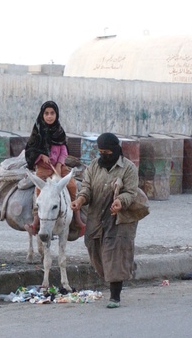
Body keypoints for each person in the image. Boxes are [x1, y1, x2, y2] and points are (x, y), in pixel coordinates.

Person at [71, 132, 139, 308]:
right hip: (96, 217)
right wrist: (79, 200)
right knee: (94, 249)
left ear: (115, 150)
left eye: (107, 152)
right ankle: (113, 277)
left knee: (114, 253)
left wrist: (120, 201)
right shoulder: (93, 166)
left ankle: (115, 296)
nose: (103, 155)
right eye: (100, 151)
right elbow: (86, 188)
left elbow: (131, 192)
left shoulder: (128, 168)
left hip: (118, 218)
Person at [23, 100, 85, 236]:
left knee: (72, 185)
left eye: (52, 113)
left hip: (59, 167)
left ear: (56, 115)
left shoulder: (59, 131)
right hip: (43, 168)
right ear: (42, 115)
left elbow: (63, 149)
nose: (49, 116)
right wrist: (40, 156)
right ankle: (36, 221)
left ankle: (76, 218)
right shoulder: (37, 131)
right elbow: (30, 150)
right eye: (46, 113)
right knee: (39, 191)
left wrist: (59, 164)